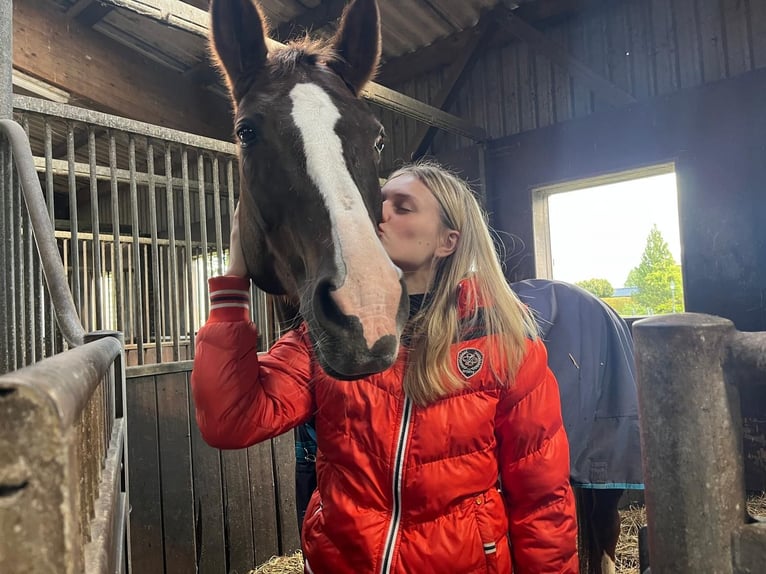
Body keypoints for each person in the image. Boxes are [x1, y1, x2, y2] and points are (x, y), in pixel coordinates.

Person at [191, 161, 578, 573]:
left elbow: (542, 498)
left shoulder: (503, 341)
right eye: (379, 203)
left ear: (447, 241)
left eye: (403, 207)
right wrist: (234, 280)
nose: (380, 214)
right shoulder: (331, 328)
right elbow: (230, 421)